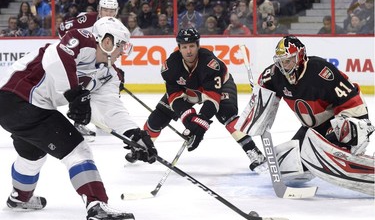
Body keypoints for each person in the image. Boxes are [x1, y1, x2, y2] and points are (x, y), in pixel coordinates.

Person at [0, 17, 157, 220]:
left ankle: (20, 197)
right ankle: (97, 209)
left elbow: (111, 108)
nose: (123, 51)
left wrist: (135, 134)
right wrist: (75, 95)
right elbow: (57, 59)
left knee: (32, 153)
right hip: (16, 98)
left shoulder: (108, 74)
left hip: (20, 109)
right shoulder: (82, 39)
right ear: (108, 41)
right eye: (121, 45)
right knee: (78, 150)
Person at [126, 28, 267, 172]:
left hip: (220, 87)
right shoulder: (170, 67)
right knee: (159, 116)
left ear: (198, 46)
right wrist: (189, 119)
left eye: (192, 46)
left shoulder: (211, 64)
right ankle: (141, 147)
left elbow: (212, 99)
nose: (189, 51)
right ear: (179, 48)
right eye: (185, 47)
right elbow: (175, 98)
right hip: (188, 91)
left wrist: (200, 122)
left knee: (227, 115)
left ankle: (255, 153)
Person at [244, 35, 374, 186]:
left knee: (345, 132)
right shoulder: (275, 75)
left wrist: (356, 125)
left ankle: (353, 148)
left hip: (343, 117)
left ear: (300, 56)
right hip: (315, 127)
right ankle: (330, 153)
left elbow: (350, 100)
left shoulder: (320, 71)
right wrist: (259, 93)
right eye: (280, 61)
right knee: (289, 168)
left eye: (288, 60)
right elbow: (262, 88)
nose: (284, 65)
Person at [58, 0, 120, 141]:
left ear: (116, 11)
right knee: (85, 87)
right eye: (106, 10)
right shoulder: (87, 19)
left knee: (113, 80)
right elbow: (62, 29)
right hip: (80, 60)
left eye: (112, 11)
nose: (109, 14)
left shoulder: (116, 25)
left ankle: (101, 120)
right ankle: (79, 122)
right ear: (99, 9)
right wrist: (72, 50)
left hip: (96, 60)